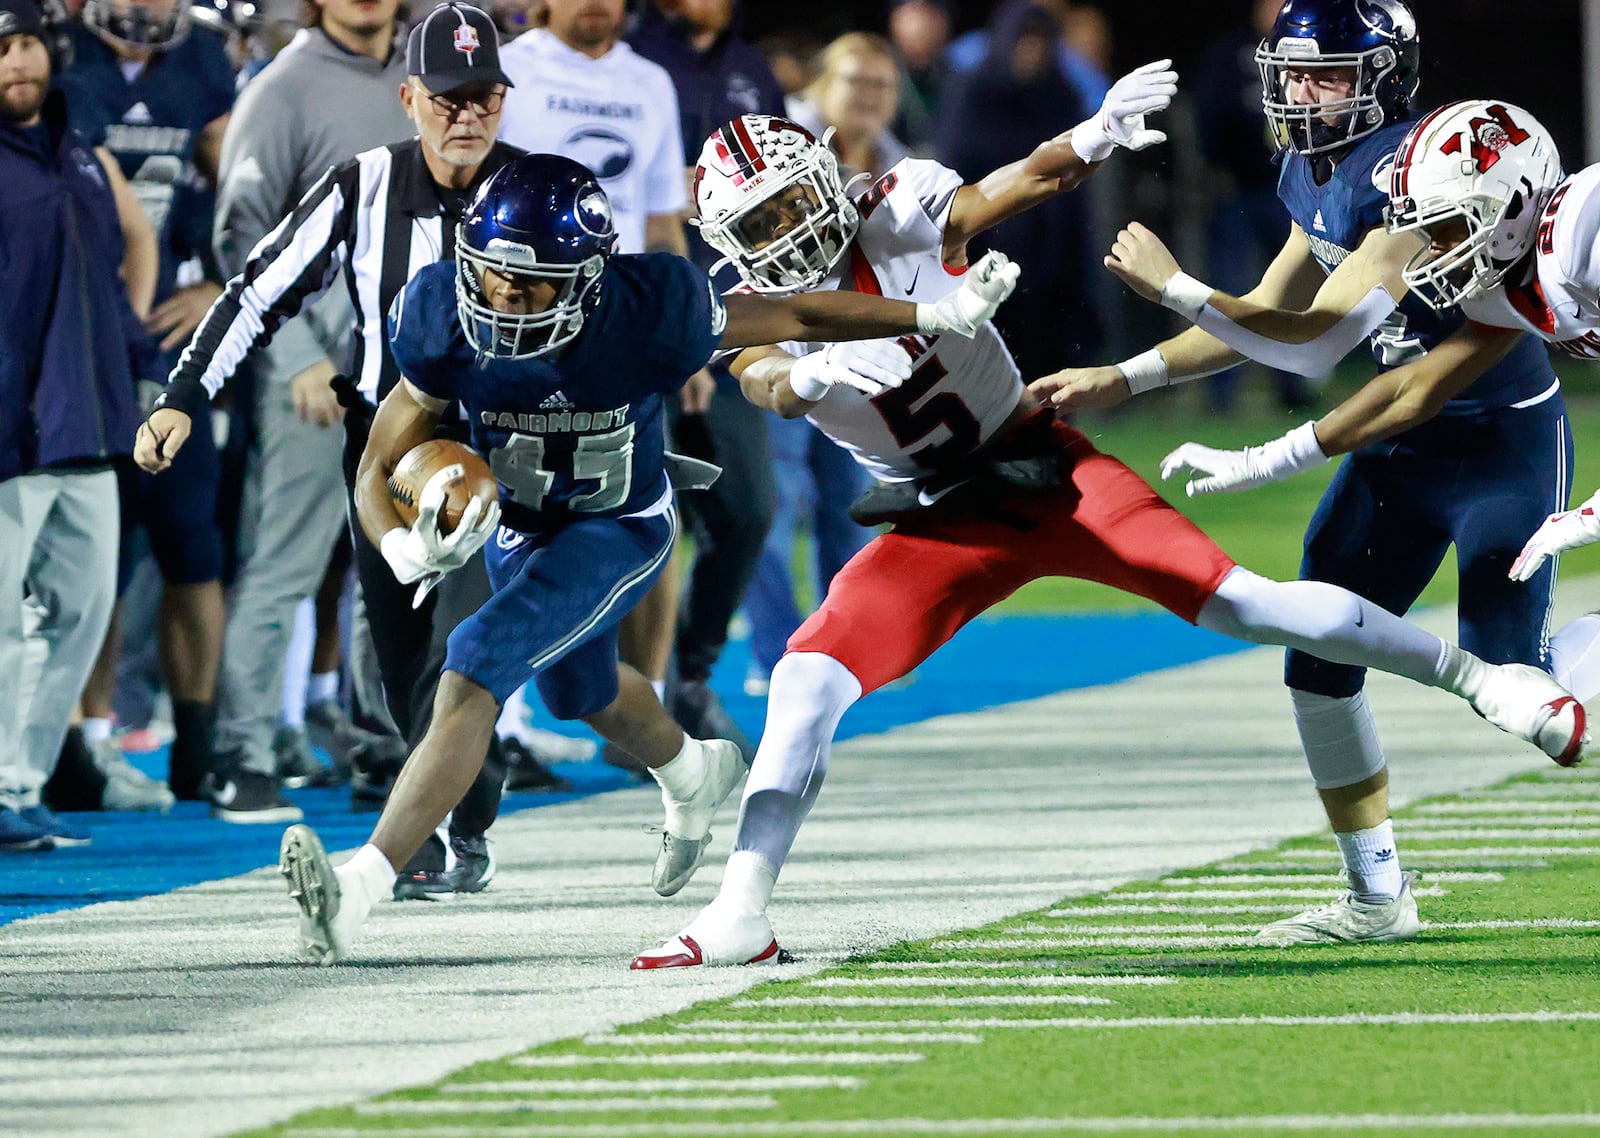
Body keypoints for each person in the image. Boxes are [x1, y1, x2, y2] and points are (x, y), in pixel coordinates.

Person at [625, 90, 1588, 970]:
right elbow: (765, 378)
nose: (788, 233)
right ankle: (740, 912)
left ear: (825, 183)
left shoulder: (896, 207)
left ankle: (1480, 677)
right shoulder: (750, 305)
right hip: (939, 518)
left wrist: (1089, 136)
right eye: (762, 224)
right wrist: (805, 380)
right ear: (728, 238)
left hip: (1049, 473)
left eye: (794, 205)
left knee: (1246, 602)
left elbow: (1009, 188)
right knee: (805, 678)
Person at [271, 152, 1021, 965]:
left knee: (474, 663)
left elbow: (797, 315)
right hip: (522, 527)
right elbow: (379, 462)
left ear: (591, 276)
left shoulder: (652, 308)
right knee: (575, 689)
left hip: (616, 524)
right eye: (492, 278)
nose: (505, 301)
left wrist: (932, 314)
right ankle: (693, 771)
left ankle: (359, 890)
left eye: (534, 285)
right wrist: (398, 546)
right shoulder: (439, 314)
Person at [1032, 0, 1573, 945]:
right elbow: (1270, 310)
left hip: (1496, 437)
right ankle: (1375, 896)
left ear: (1387, 78)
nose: (1300, 91)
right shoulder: (1306, 165)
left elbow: (1317, 344)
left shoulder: (1416, 169)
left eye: (1327, 74)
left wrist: (1177, 286)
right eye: (1292, 71)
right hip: (1395, 446)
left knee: (1521, 689)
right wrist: (1129, 373)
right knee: (1318, 665)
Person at [139, 2, 524, 897]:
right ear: (409, 98)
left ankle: (426, 829)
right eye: (448, 99)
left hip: (509, 449)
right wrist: (183, 397)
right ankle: (471, 795)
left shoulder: (542, 189)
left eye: (484, 98)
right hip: (385, 449)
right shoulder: (362, 186)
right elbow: (255, 288)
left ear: (505, 100)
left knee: (459, 653)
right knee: (399, 664)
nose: (465, 117)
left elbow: (607, 316)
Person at [198, 0, 412, 821]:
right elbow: (239, 235)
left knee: (393, 568)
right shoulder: (280, 88)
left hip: (405, 377)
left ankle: (380, 745)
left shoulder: (421, 78)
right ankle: (239, 752)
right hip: (314, 374)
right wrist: (298, 357)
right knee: (286, 563)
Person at [495, 0, 719, 762]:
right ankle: (509, 721)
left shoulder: (650, 80)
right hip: (525, 318)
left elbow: (663, 222)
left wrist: (679, 335)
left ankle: (638, 710)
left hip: (620, 326)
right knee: (515, 509)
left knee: (647, 505)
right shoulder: (511, 68)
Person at [56, 0, 236, 804]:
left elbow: (259, 188)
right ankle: (81, 744)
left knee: (191, 543)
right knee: (92, 554)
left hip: (171, 349)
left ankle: (196, 746)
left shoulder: (206, 61)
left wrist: (219, 283)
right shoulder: (48, 56)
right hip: (75, 345)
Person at [0, 0, 152, 850]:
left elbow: (102, 275)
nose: (15, 62)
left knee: (82, 616)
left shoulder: (80, 156)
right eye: (1, 49)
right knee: (1, 629)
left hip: (90, 423)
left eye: (25, 44)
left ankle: (18, 786)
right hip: (10, 432)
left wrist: (149, 370)